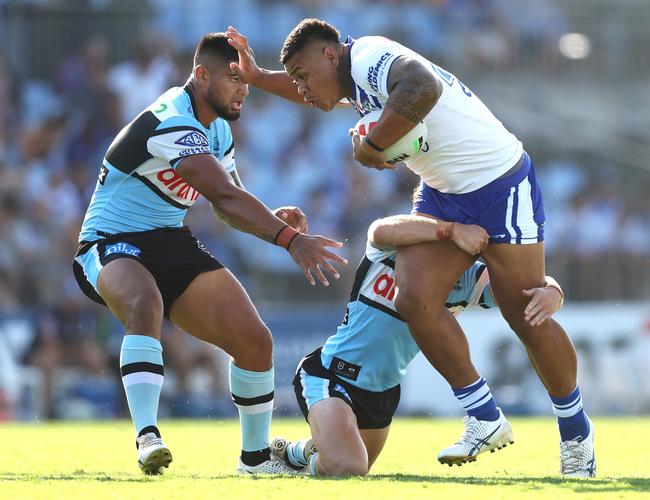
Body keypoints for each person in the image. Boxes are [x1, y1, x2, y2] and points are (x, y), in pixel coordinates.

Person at [225, 20, 595, 478]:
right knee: (414, 297)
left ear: (330, 55)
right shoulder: (352, 80)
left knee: (525, 314)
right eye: (294, 80)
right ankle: (483, 414)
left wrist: (374, 146)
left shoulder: (366, 56)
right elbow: (337, 96)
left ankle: (576, 434)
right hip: (442, 193)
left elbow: (422, 85)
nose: (300, 89)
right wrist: (258, 78)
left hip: (499, 182)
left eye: (303, 75)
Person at [72, 32, 347, 476]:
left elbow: (233, 203)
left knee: (255, 342)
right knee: (145, 304)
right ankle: (147, 436)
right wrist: (290, 240)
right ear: (201, 76)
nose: (243, 90)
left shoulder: (218, 129)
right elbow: (223, 197)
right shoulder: (171, 119)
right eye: (233, 79)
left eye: (246, 82)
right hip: (109, 240)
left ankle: (255, 461)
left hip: (168, 238)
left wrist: (272, 217)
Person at [270, 213, 564, 476]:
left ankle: (296, 452)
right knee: (348, 466)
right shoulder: (391, 250)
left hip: (383, 393)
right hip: (332, 375)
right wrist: (451, 229)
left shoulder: (464, 279)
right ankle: (288, 468)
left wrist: (553, 290)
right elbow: (379, 229)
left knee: (352, 464)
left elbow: (522, 286)